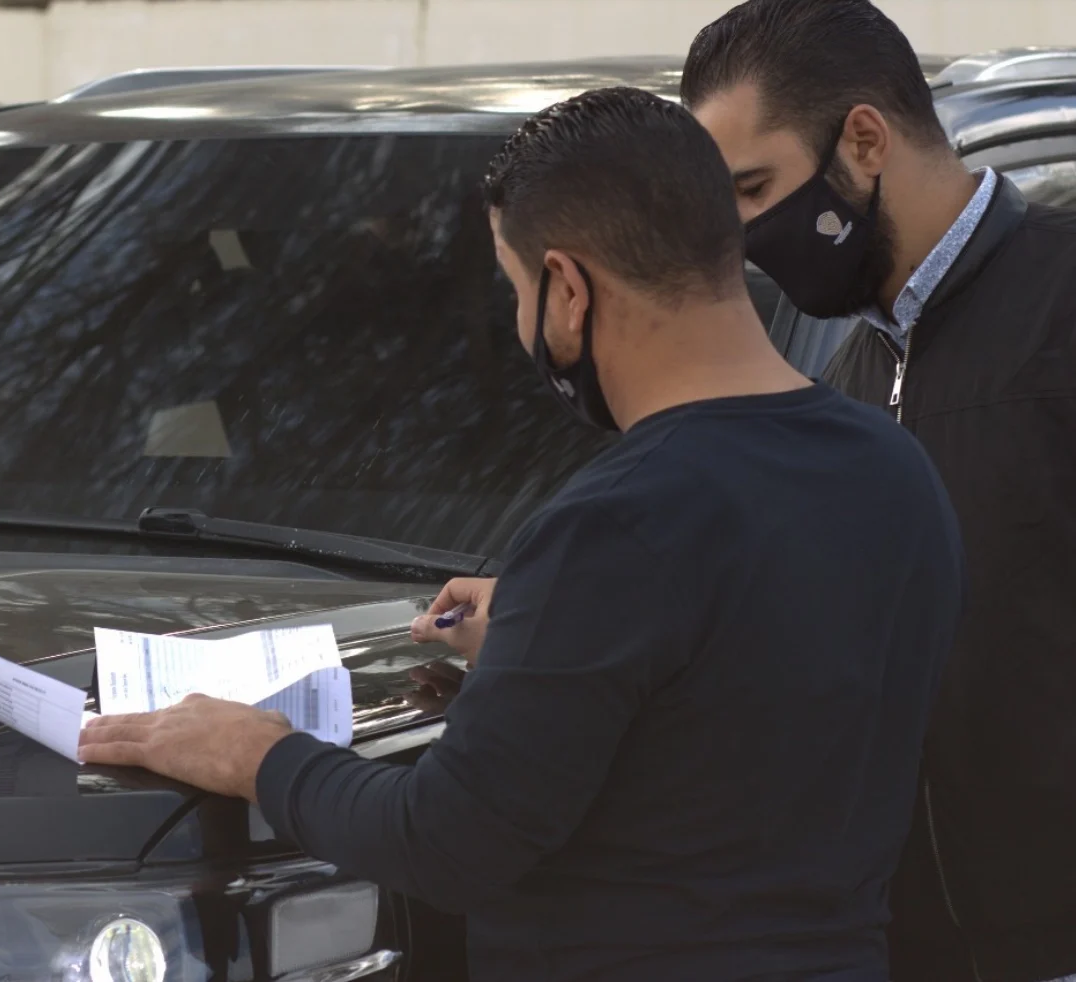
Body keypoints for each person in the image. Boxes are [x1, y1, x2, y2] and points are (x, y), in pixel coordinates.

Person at [78, 86, 964, 982]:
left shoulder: (619, 522)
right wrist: (559, 633)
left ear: (569, 289)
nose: (518, 321)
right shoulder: (896, 468)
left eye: (516, 287)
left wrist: (259, 754)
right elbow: (761, 697)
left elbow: (446, 841)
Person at [680, 3, 1076, 980]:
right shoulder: (844, 380)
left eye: (754, 188)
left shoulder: (1060, 306)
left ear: (863, 140)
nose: (743, 236)